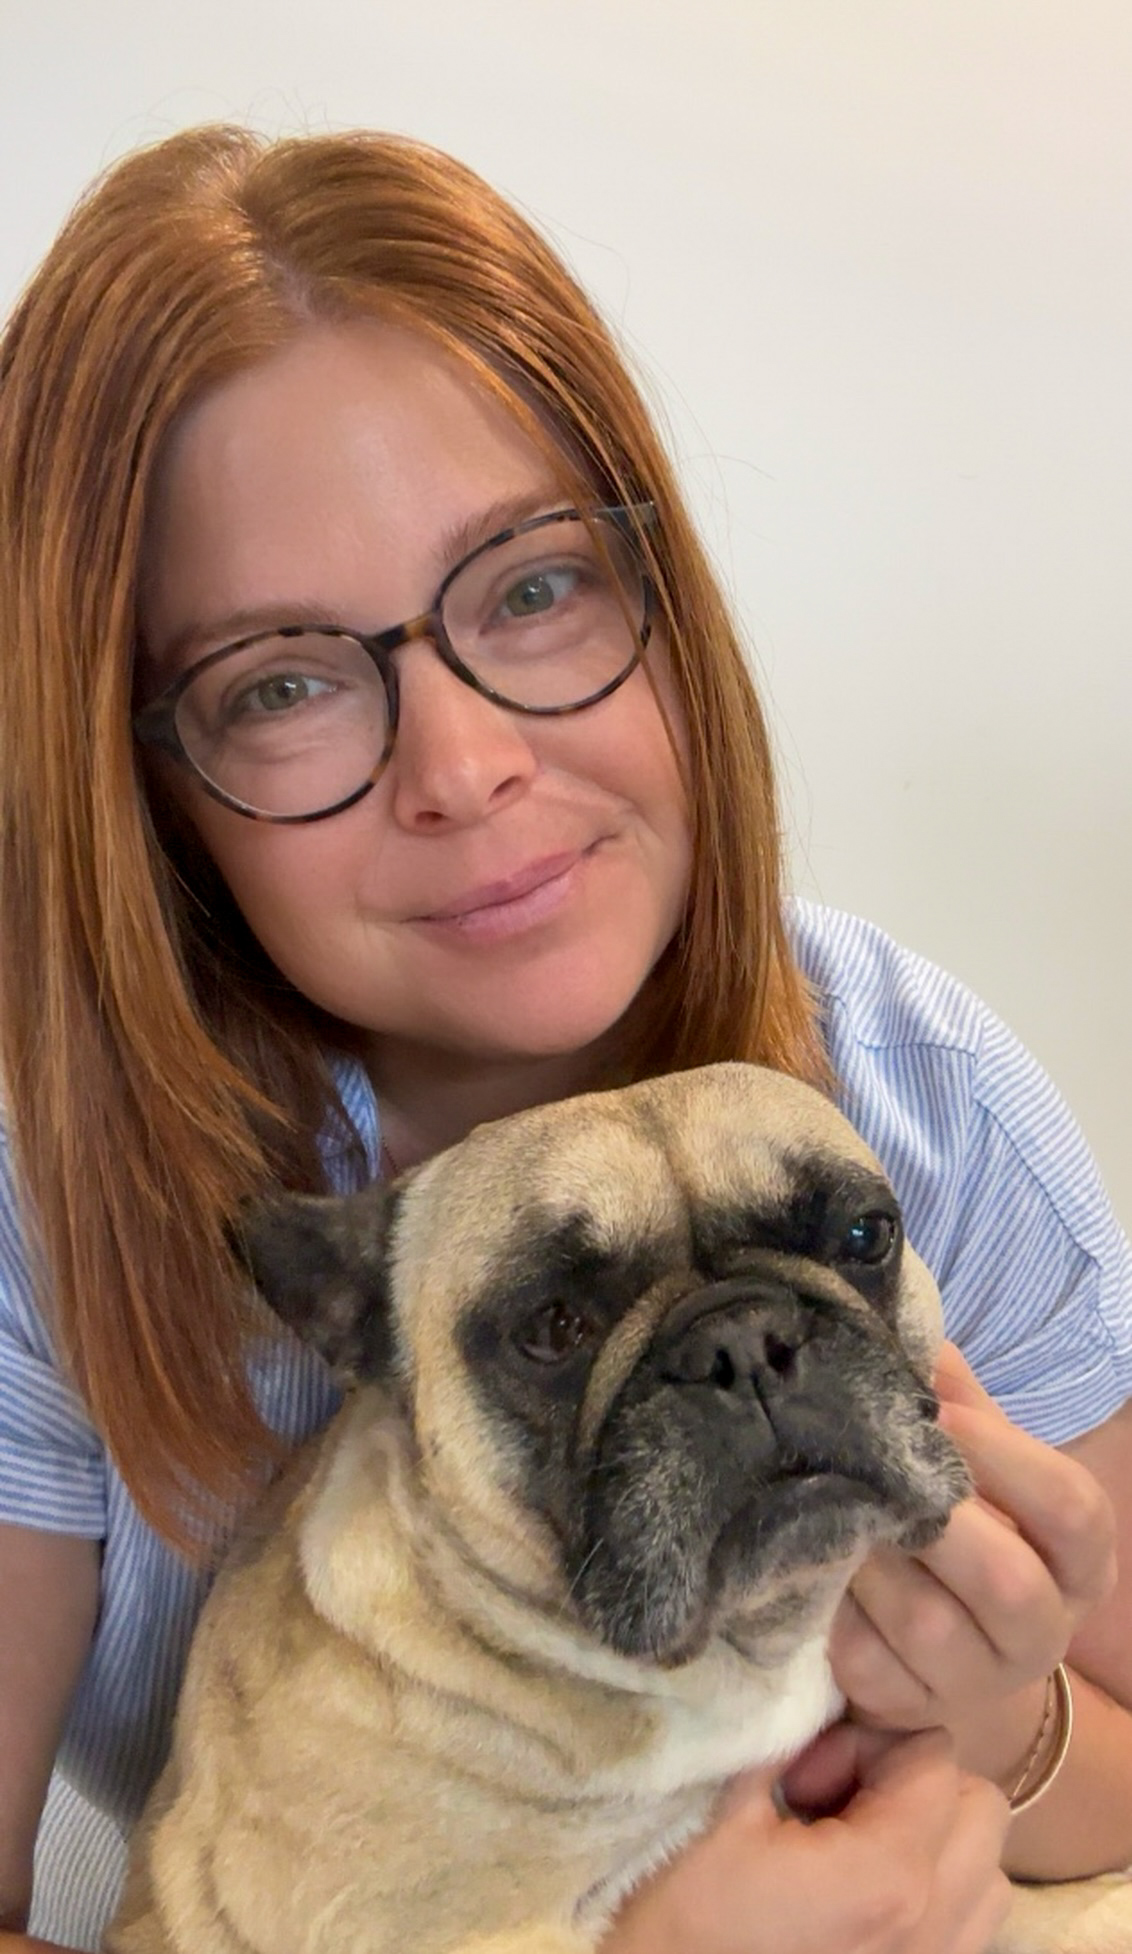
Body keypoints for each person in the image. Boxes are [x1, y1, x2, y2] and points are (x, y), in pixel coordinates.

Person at [0, 124, 1128, 1954]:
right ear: (140, 785)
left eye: (531, 586)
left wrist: (1001, 1722)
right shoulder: (46, 1206)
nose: (466, 768)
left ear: (663, 587)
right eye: (282, 683)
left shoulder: (924, 1092)